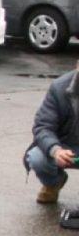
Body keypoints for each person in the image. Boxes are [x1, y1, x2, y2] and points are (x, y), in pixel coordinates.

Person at [24, 62, 79, 204]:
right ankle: (53, 183)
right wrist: (56, 151)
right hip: (66, 147)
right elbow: (43, 127)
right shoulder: (59, 88)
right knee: (37, 157)